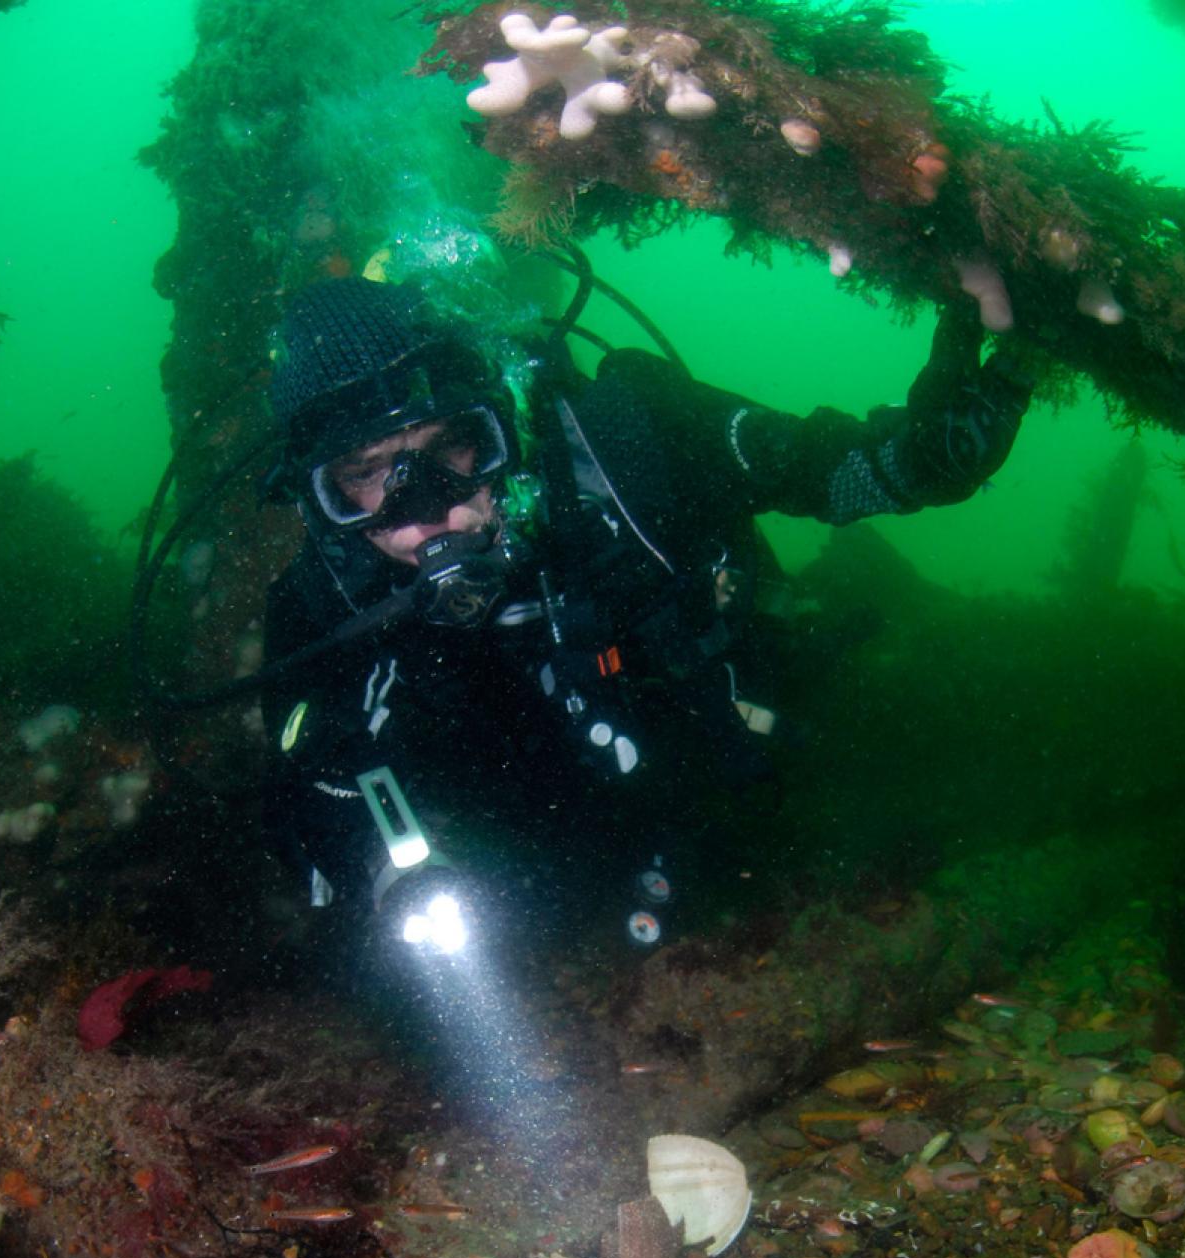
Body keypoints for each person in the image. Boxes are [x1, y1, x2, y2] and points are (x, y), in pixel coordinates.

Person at [259, 270, 1030, 958]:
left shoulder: (627, 437)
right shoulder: (323, 609)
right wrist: (389, 878)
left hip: (745, 770)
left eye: (454, 449)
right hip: (543, 873)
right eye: (362, 477)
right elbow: (310, 793)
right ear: (319, 504)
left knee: (845, 688)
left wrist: (923, 461)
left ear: (501, 423)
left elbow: (817, 469)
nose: (422, 509)